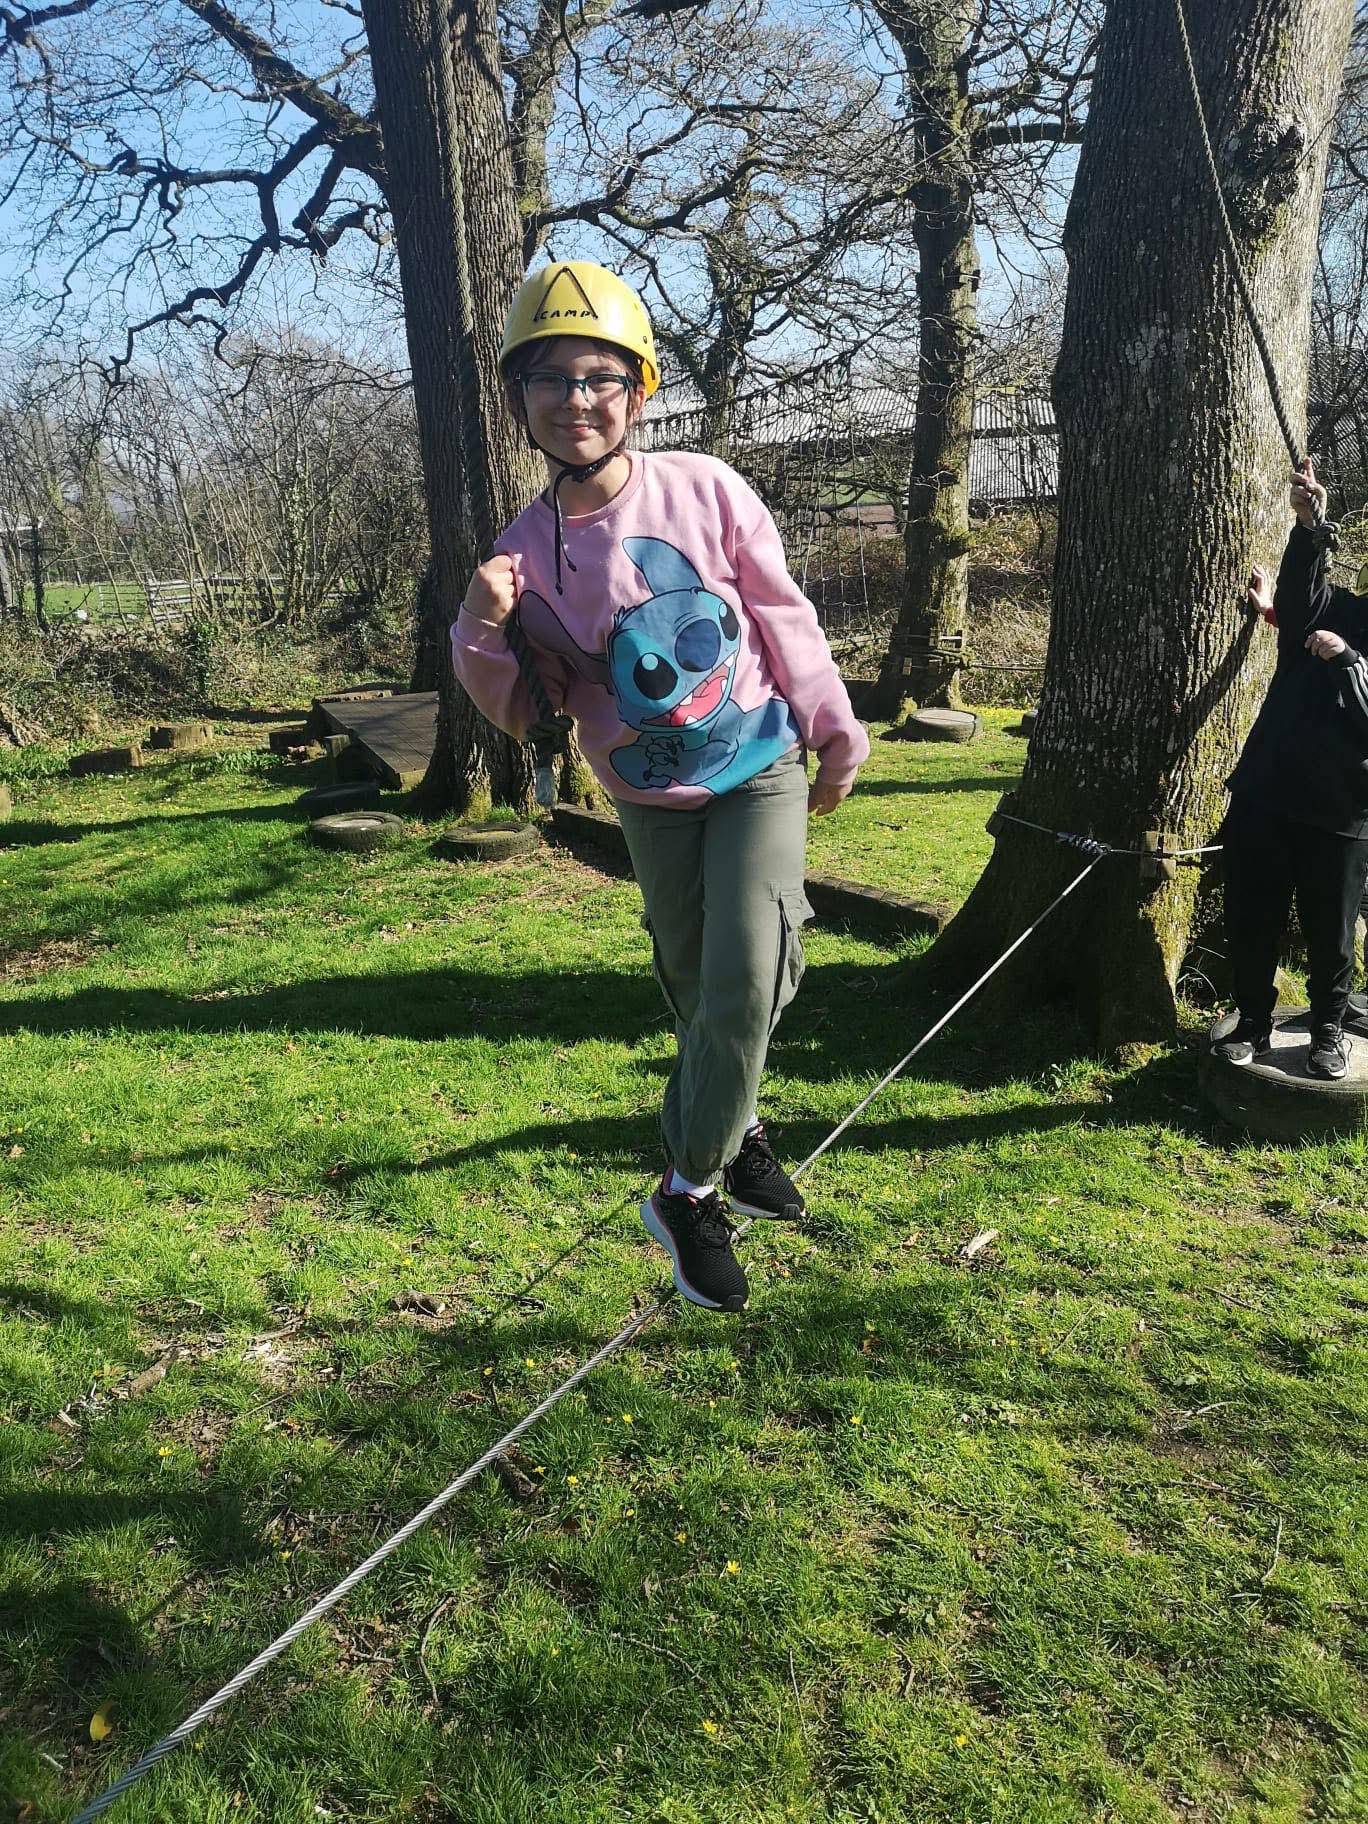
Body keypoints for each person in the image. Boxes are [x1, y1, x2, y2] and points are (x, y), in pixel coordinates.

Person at [451, 261, 869, 1311]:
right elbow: (529, 709)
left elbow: (780, 612)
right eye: (550, 379)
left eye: (599, 376)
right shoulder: (521, 554)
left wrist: (832, 725)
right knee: (697, 986)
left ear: (638, 389)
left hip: (759, 764)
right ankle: (745, 1127)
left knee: (752, 971)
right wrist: (480, 628)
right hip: (646, 799)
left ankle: (686, 1189)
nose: (576, 399)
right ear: (521, 399)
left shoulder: (706, 487)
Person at [1216, 457, 1368, 1078]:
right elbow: (1302, 603)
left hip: (1342, 810)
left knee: (1332, 933)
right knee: (1251, 916)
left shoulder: (1350, 637)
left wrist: (1348, 660)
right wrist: (1309, 528)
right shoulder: (1342, 608)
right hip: (1267, 792)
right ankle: (1252, 1019)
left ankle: (1328, 1029)